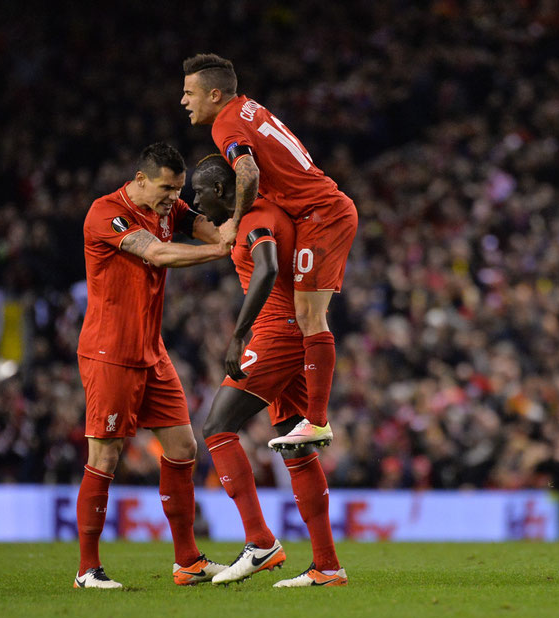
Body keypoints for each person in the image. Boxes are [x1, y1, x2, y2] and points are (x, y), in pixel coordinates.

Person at [181, 53, 359, 450]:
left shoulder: (225, 124)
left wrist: (235, 222)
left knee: (309, 316)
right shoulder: (248, 107)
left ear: (214, 94)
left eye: (189, 92)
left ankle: (317, 420)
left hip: (320, 214)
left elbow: (248, 173)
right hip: (318, 211)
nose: (183, 100)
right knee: (307, 316)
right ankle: (311, 423)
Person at [74, 142, 231, 589]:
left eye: (178, 189)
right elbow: (159, 254)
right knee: (105, 455)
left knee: (183, 448)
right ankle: (87, 570)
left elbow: (201, 226)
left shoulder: (167, 207)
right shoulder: (106, 214)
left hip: (150, 350)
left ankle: (188, 561)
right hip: (110, 352)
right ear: (140, 179)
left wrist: (231, 227)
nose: (173, 198)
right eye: (166, 188)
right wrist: (222, 250)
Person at [191, 154, 347, 587]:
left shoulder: (256, 217)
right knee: (296, 449)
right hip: (292, 334)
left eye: (199, 191)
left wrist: (239, 336)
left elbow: (268, 267)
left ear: (221, 190)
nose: (196, 199)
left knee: (218, 427)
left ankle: (260, 541)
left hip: (276, 333)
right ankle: (327, 566)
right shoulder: (260, 213)